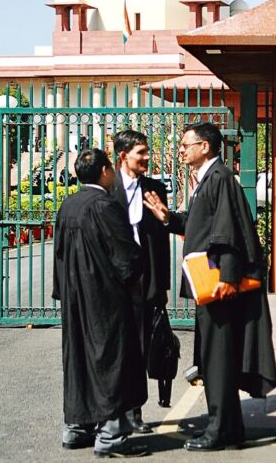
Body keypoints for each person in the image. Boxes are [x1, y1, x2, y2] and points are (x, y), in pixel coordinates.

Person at [143, 122, 276, 452]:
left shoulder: (219, 179)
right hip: (211, 284)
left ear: (205, 147)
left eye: (186, 144)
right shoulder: (208, 180)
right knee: (215, 358)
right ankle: (227, 426)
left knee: (218, 359)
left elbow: (230, 231)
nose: (181, 150)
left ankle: (220, 429)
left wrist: (228, 279)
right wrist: (168, 218)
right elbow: (200, 223)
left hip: (219, 286)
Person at [51, 148, 149, 458]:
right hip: (106, 300)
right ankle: (111, 437)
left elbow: (59, 255)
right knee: (112, 362)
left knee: (78, 360)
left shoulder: (69, 204)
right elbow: (127, 256)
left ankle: (76, 428)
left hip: (75, 297)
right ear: (105, 170)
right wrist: (135, 284)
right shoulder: (105, 205)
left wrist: (64, 293)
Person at [110, 129, 172, 434]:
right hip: (115, 282)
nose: (147, 158)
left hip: (145, 280)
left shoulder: (155, 188)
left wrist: (162, 286)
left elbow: (161, 242)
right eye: (141, 153)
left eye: (147, 152)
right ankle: (112, 410)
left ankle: (135, 411)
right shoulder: (108, 191)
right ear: (123, 156)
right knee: (116, 348)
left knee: (141, 347)